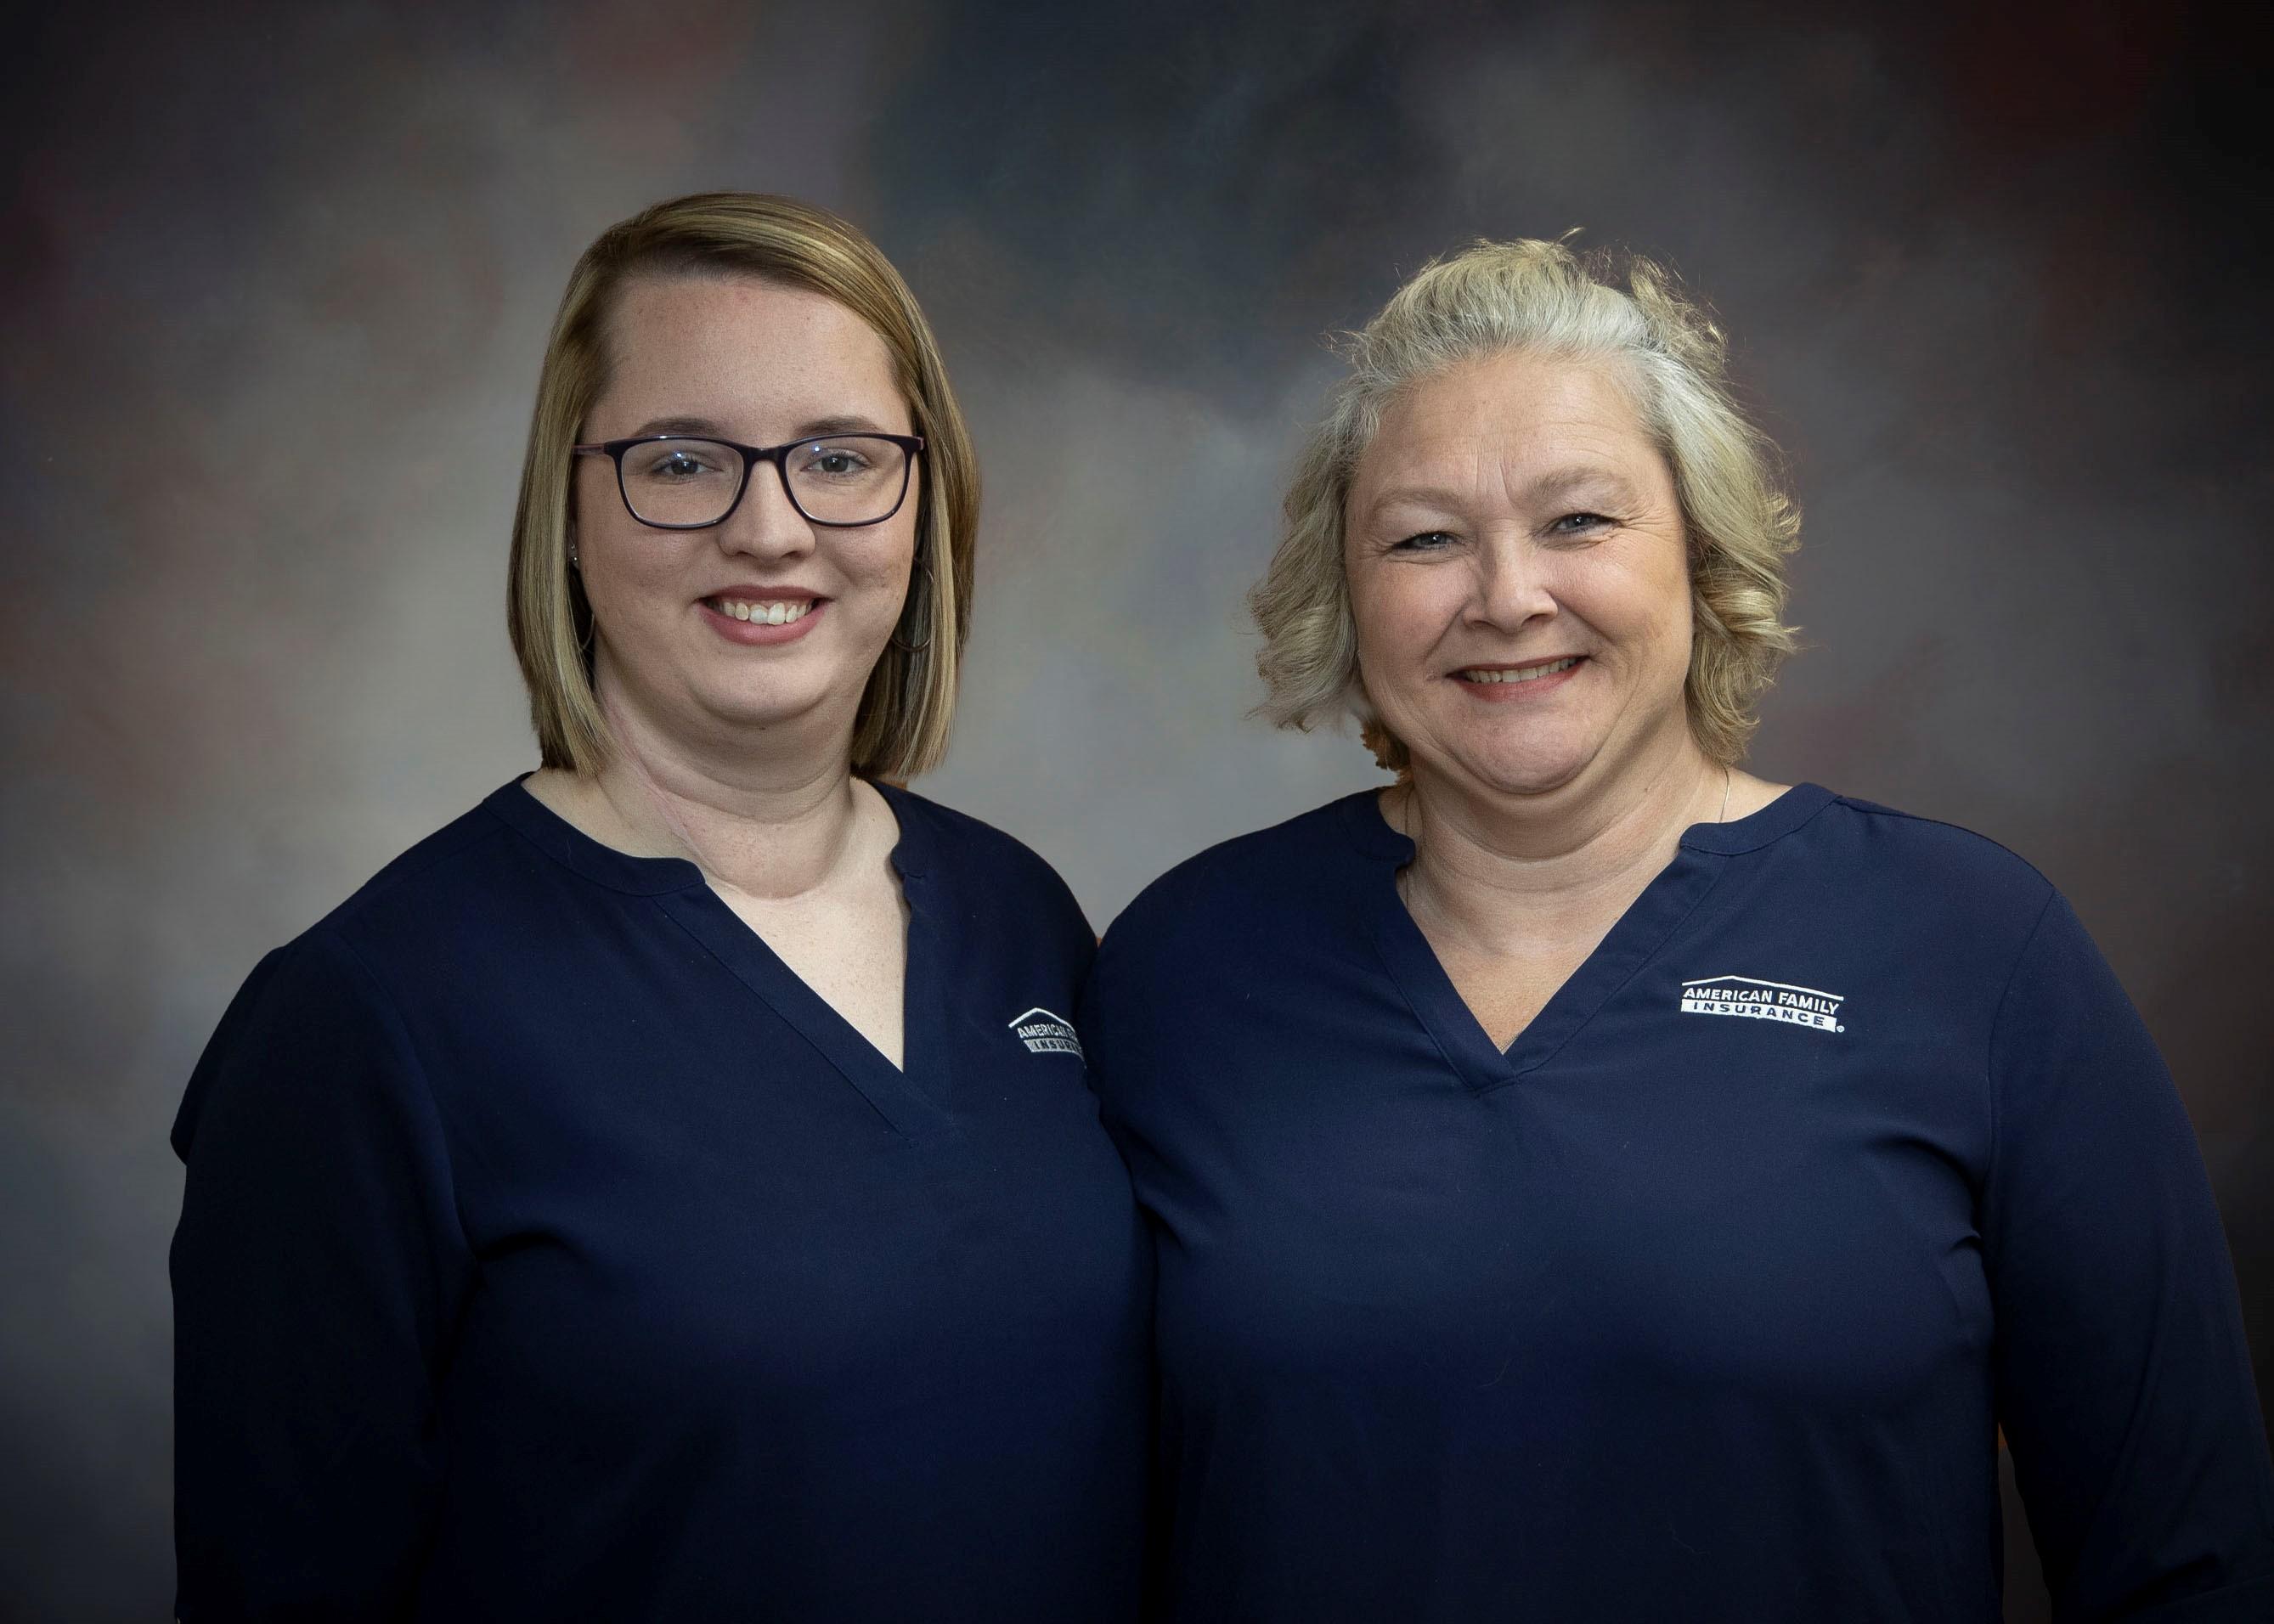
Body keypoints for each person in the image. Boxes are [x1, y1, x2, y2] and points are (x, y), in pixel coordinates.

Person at [1081, 238, 2274, 1620]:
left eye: (1578, 521)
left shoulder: (1967, 950)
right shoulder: (1185, 967)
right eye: (1422, 538)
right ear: (1341, 593)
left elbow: (2186, 1564)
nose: (1508, 596)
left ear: (1701, 558)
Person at [171, 193, 1148, 1622]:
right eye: (679, 461)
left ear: (924, 501)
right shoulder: (368, 1020)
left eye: (840, 458)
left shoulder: (1018, 915)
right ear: (565, 514)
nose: (770, 528)